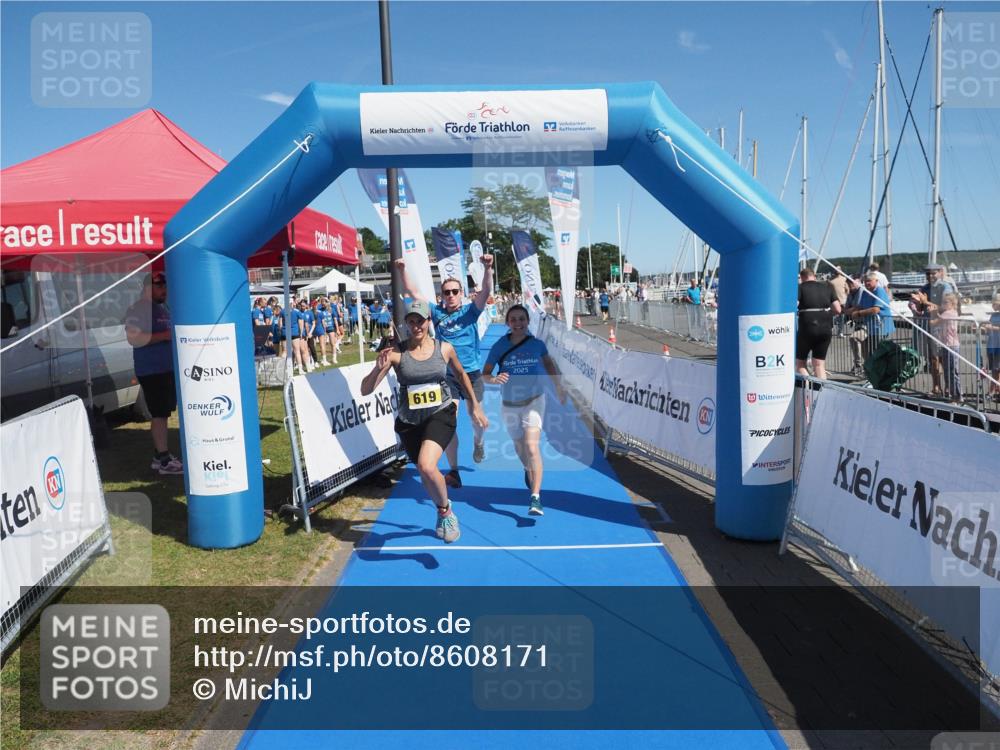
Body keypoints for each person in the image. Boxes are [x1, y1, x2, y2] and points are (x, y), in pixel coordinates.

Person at [360, 300, 488, 544]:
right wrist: (377, 369)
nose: (416, 326)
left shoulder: (444, 348)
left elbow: (461, 374)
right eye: (412, 321)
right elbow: (366, 390)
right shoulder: (396, 353)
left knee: (427, 466)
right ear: (406, 324)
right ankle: (442, 510)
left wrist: (475, 404)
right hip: (410, 420)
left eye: (421, 321)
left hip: (441, 412)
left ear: (429, 322)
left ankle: (446, 513)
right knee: (423, 470)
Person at [396, 254, 495, 486]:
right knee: (448, 421)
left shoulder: (470, 311)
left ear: (461, 294)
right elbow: (414, 293)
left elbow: (486, 292)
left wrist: (488, 267)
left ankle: (479, 442)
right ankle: (454, 470)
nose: (450, 295)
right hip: (447, 374)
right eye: (446, 292)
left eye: (454, 291)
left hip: (470, 373)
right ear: (441, 295)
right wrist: (402, 270)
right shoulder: (436, 312)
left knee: (476, 419)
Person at [483, 304, 566, 516]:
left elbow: (549, 365)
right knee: (520, 447)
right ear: (507, 323)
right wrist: (494, 379)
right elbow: (485, 374)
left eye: (522, 319)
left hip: (534, 401)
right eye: (513, 319)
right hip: (509, 404)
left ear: (528, 321)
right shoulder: (499, 346)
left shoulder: (537, 344)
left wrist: (558, 386)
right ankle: (528, 469)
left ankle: (535, 497)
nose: (518, 323)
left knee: (531, 446)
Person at [124, 272, 183, 475]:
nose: (164, 289)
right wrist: (165, 336)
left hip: (165, 369)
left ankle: (160, 457)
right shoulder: (138, 309)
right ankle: (164, 460)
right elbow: (133, 339)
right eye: (159, 285)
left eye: (165, 285)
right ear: (147, 287)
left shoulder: (161, 308)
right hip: (151, 370)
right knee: (159, 414)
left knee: (163, 413)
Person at [908, 263, 958, 396]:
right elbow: (914, 304)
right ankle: (936, 387)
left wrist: (925, 302)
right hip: (928, 327)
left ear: (940, 272)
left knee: (943, 359)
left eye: (933, 273)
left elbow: (946, 307)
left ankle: (948, 387)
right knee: (933, 359)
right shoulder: (924, 288)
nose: (930, 276)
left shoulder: (945, 287)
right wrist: (916, 305)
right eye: (928, 274)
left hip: (941, 328)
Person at [795, 268, 841, 379]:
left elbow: (794, 305)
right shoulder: (828, 287)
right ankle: (821, 388)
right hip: (825, 328)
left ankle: (808, 385)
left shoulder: (800, 288)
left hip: (807, 328)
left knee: (800, 363)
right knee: (819, 364)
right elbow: (838, 309)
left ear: (802, 277)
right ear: (814, 276)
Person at [848, 272, 895, 378]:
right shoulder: (866, 292)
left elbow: (875, 309)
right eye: (865, 281)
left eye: (869, 281)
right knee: (868, 351)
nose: (867, 283)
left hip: (881, 327)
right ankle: (871, 372)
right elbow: (860, 306)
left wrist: (859, 313)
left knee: (878, 352)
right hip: (871, 327)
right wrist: (847, 311)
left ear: (876, 281)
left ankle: (881, 375)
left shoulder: (879, 291)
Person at [930, 292, 963, 403]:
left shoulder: (949, 313)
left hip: (951, 346)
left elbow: (934, 322)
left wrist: (932, 313)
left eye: (946, 302)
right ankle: (954, 394)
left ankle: (957, 395)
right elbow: (939, 318)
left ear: (952, 303)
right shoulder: (951, 313)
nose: (943, 304)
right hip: (948, 345)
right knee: (949, 371)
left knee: (952, 371)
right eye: (942, 302)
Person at [986, 293, 1000, 403]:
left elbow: (994, 328)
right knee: (995, 370)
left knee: (996, 369)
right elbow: (989, 328)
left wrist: (991, 327)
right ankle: (996, 390)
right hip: (992, 345)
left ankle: (991, 391)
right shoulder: (993, 315)